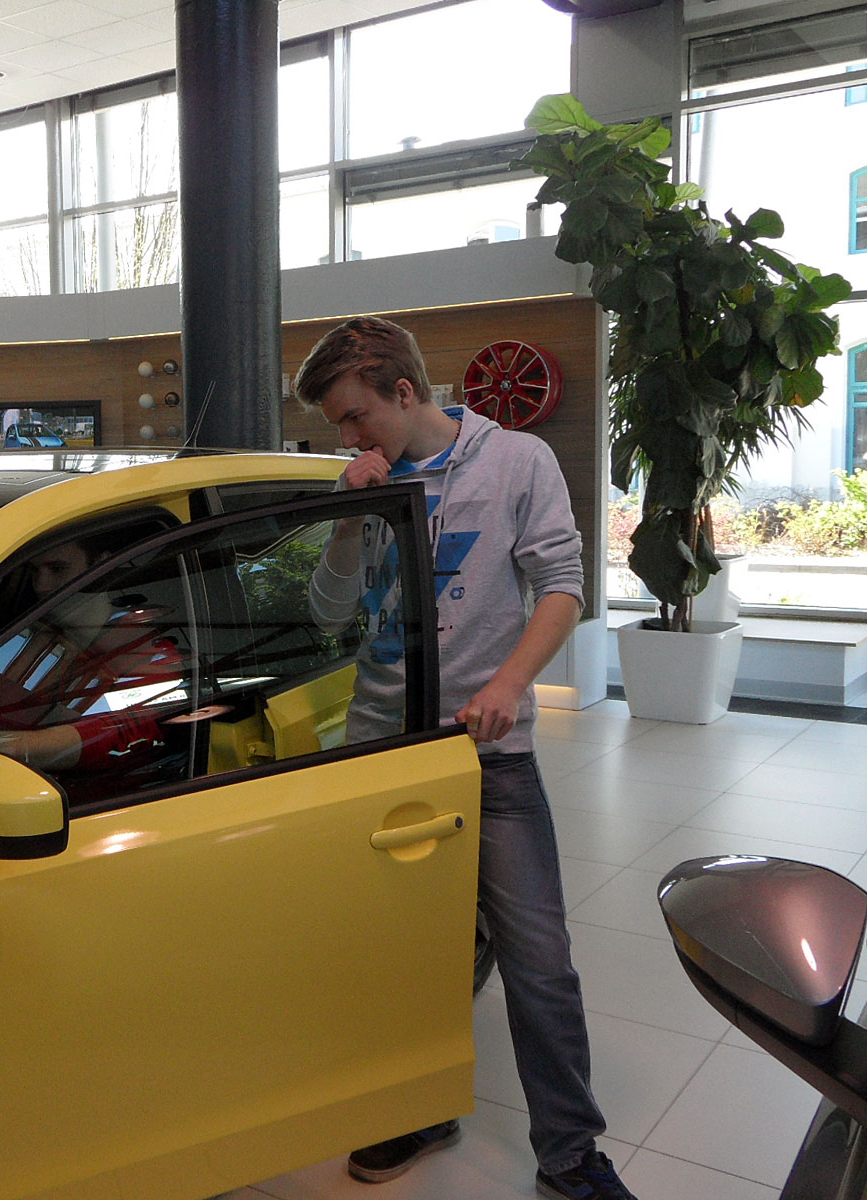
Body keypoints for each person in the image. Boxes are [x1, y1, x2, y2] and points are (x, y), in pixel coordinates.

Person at [294, 315, 638, 1200]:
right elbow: (328, 614)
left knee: (539, 960)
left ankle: (570, 1155)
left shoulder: (516, 461)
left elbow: (562, 587)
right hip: (382, 754)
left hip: (489, 754)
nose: (349, 437)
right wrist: (347, 515)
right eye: (338, 424)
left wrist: (511, 685)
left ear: (406, 392)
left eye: (356, 416)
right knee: (403, 954)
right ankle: (419, 1108)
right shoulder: (363, 479)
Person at [0, 537, 187, 794]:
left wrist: (3, 745)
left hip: (90, 805)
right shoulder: (20, 637)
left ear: (100, 566)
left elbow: (128, 730)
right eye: (34, 571)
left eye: (58, 569)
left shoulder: (148, 652)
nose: (41, 585)